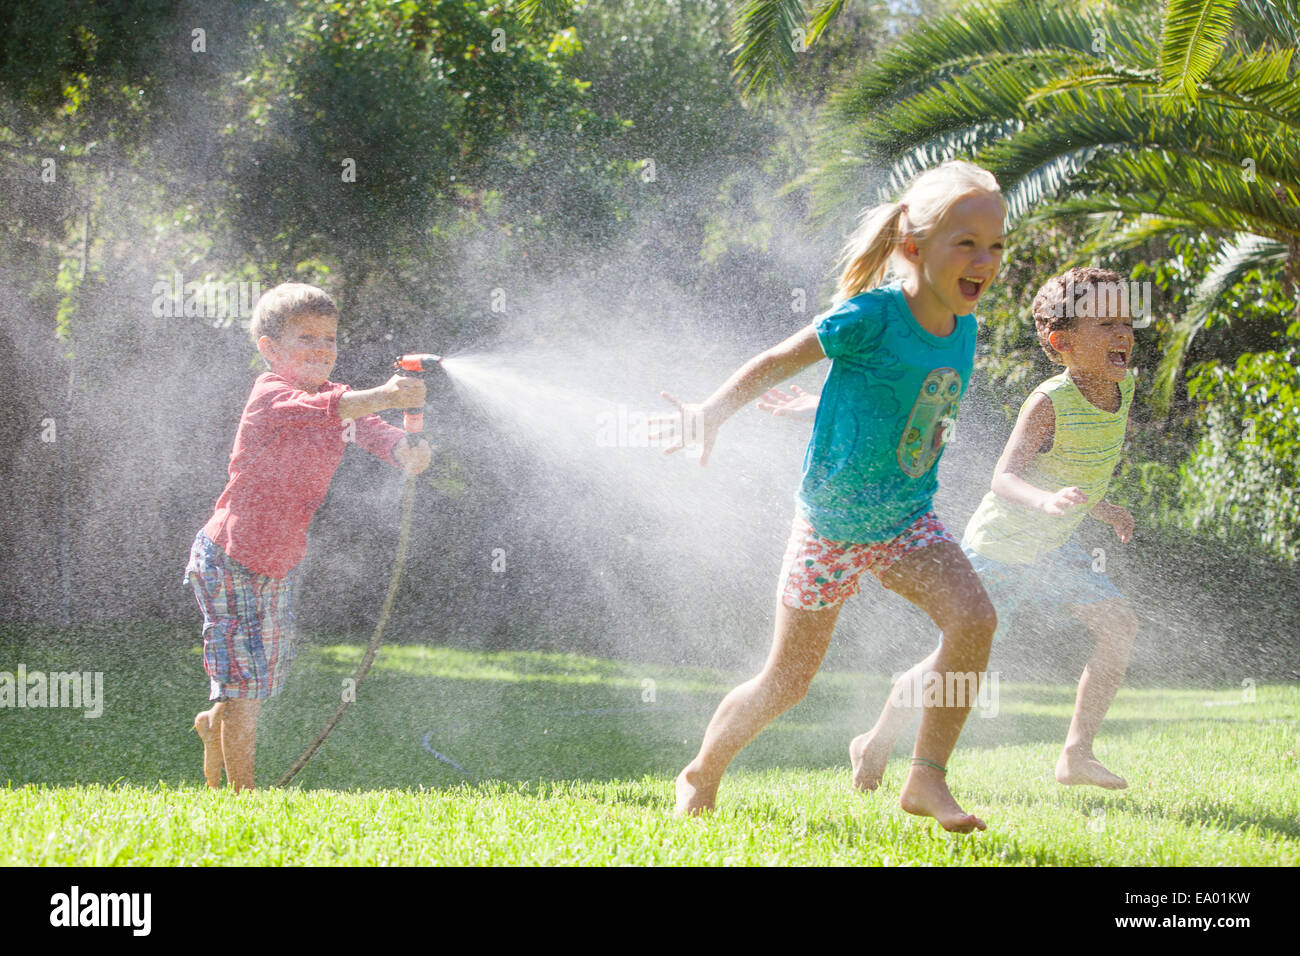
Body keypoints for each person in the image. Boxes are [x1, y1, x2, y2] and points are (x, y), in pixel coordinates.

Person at [659, 161, 1005, 831]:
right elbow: (777, 359)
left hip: (907, 521)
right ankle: (700, 773)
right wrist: (712, 412)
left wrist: (822, 410)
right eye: (966, 243)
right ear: (914, 248)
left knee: (975, 620)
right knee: (786, 683)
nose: (984, 260)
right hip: (830, 529)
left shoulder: (963, 326)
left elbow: (904, 400)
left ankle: (926, 779)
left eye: (995, 246)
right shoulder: (872, 315)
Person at [768, 267, 1140, 791]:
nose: (1123, 333)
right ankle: (875, 739)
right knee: (955, 665)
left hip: (1054, 547)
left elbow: (1078, 468)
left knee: (1119, 625)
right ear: (1063, 342)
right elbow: (1005, 478)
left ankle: (1076, 753)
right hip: (1002, 549)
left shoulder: (1125, 391)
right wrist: (1048, 500)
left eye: (1126, 320)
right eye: (1106, 324)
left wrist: (1101, 508)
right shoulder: (1049, 403)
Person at [187, 283, 431, 791]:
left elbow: (368, 427)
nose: (322, 348)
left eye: (330, 338)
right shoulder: (272, 395)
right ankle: (242, 797)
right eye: (306, 338)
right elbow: (337, 411)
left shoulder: (333, 400)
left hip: (278, 562)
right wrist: (386, 394)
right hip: (229, 558)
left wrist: (404, 451)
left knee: (258, 675)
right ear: (270, 349)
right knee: (246, 685)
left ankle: (214, 724)